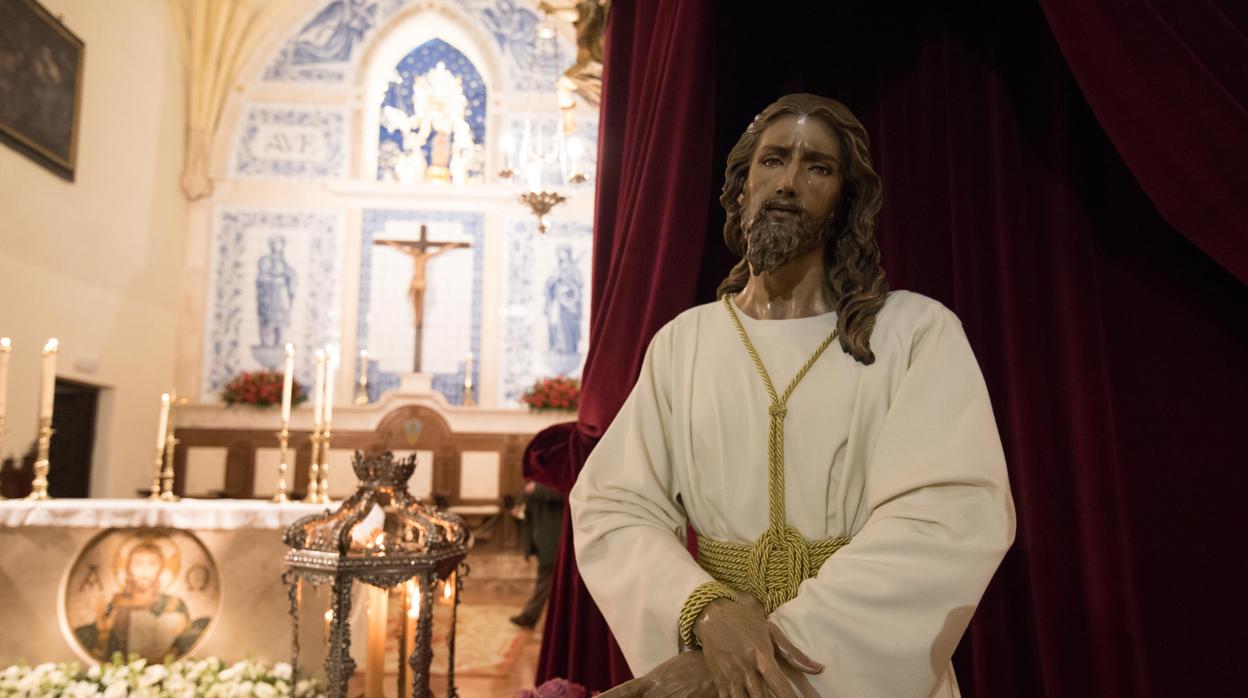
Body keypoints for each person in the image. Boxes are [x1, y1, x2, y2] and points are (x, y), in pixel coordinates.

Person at [570, 93, 1015, 697]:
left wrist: (742, 660)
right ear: (743, 186)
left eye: (818, 167)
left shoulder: (914, 333)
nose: (788, 182)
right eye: (773, 160)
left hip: (835, 669)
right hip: (715, 661)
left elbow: (947, 520)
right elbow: (613, 507)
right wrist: (707, 613)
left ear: (844, 201)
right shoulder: (685, 343)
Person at [74, 541, 207, 662]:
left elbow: (185, 646)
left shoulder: (174, 604)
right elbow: (104, 652)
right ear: (128, 569)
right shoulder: (116, 604)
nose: (144, 570)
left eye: (152, 564)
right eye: (138, 564)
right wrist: (103, 632)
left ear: (160, 569)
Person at [511, 480, 566, 629]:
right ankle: (532, 616)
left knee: (546, 578)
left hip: (554, 539)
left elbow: (564, 494)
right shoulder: (538, 478)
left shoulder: (559, 476)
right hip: (542, 538)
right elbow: (526, 493)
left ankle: (530, 616)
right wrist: (518, 504)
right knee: (548, 580)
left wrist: (537, 489)